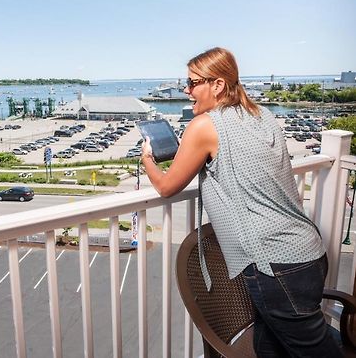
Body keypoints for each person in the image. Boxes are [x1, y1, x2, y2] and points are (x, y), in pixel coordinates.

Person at [141, 47, 341, 357]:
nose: (186, 90)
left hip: (276, 265)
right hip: (309, 251)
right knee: (269, 342)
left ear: (217, 85)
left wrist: (148, 159)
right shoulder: (262, 114)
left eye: (193, 83)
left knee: (316, 351)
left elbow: (167, 186)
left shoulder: (204, 126)